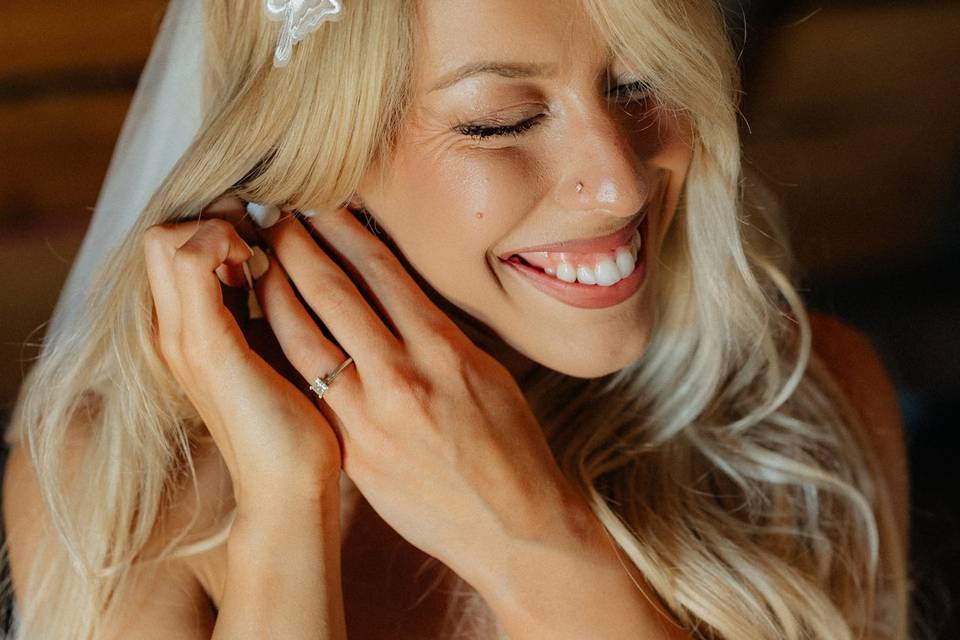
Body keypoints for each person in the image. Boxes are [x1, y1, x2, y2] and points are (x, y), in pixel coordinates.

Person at [0, 0, 910, 638]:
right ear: (315, 148)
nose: (621, 181)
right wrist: (285, 510)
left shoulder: (806, 412)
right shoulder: (120, 482)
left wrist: (540, 549)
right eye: (502, 120)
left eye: (641, 84)